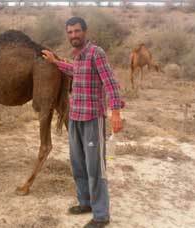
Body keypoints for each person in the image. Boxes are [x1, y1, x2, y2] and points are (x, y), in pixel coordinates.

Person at [42, 17, 123, 228]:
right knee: (78, 164)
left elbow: (111, 83)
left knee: (95, 168)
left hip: (92, 119)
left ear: (85, 31)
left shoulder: (97, 53)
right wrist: (55, 62)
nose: (73, 35)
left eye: (77, 31)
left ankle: (101, 215)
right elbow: (74, 72)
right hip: (75, 117)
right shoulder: (77, 57)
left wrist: (115, 113)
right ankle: (85, 202)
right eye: (69, 32)